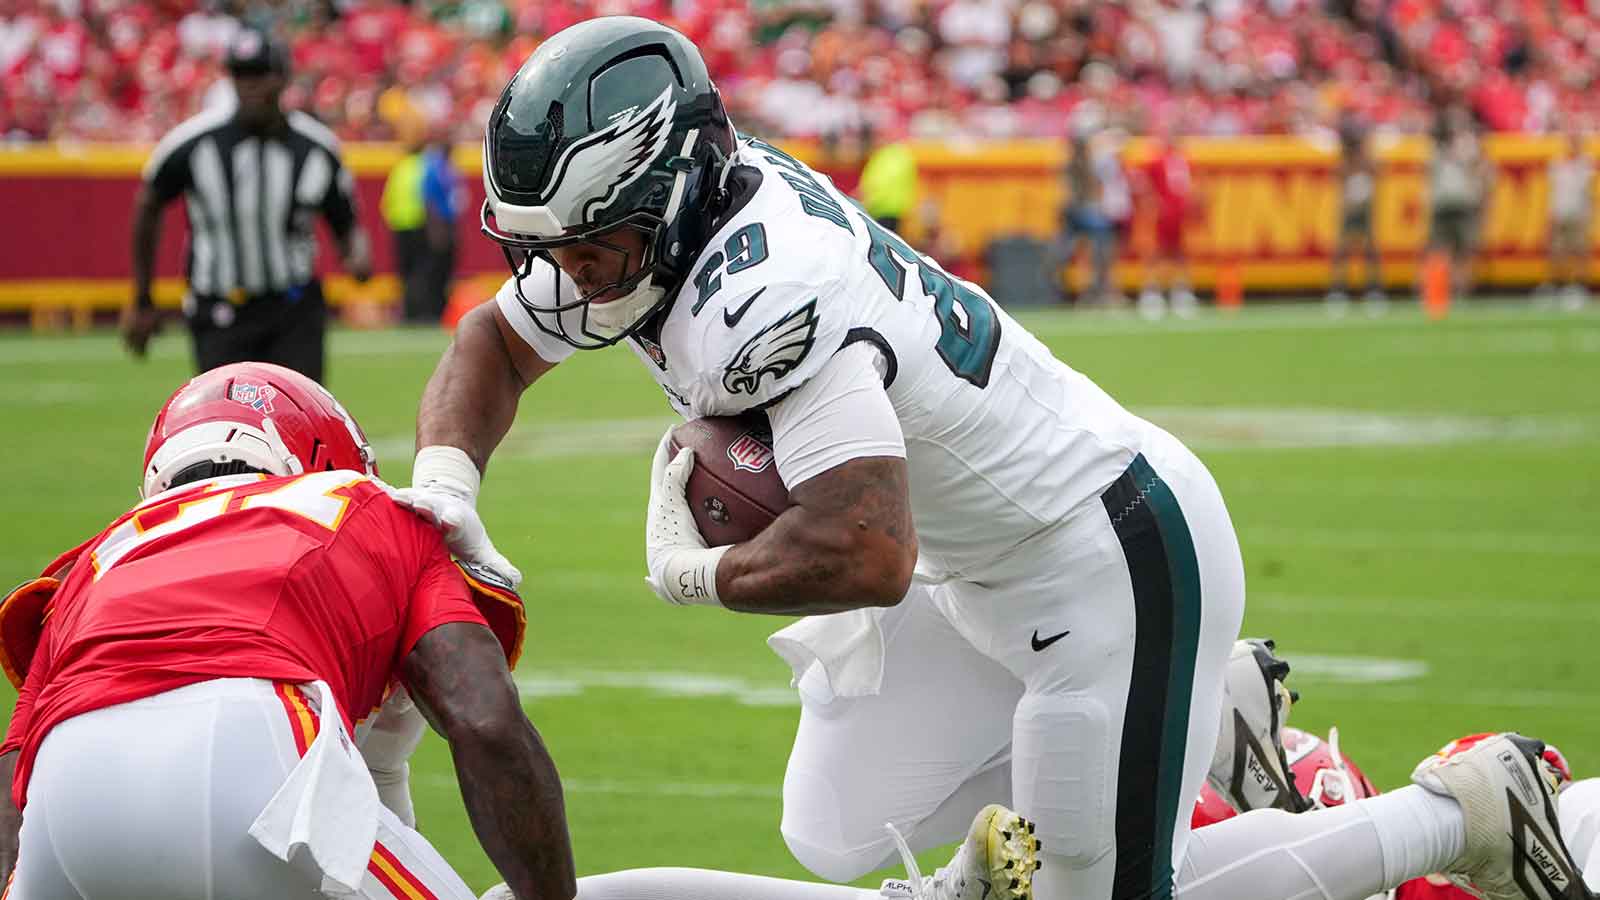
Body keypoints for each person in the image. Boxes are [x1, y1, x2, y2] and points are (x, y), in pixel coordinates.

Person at [399, 17, 1583, 900]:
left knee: (1108, 896)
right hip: (971, 573)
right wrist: (448, 488)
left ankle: (1467, 811)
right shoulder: (669, 225)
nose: (571, 275)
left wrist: (689, 573)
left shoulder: (761, 289)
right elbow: (488, 347)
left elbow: (864, 547)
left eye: (592, 246)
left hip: (1103, 554)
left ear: (666, 189)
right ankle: (1216, 724)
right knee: (836, 828)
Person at [0, 362, 573, 900]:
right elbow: (484, 716)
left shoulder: (100, 558)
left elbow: (12, 784)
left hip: (65, 795)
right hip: (248, 750)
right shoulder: (367, 506)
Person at [123, 27, 373, 383]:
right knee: (226, 425)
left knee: (298, 422)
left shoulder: (315, 148)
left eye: (260, 74)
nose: (250, 86)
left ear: (282, 78)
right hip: (220, 308)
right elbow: (148, 205)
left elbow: (345, 220)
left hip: (293, 310)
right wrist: (142, 298)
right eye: (241, 75)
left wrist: (355, 255)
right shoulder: (195, 143)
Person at [1426, 106, 1493, 302]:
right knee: (1439, 251)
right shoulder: (1436, 148)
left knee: (1464, 252)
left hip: (1464, 202)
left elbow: (1482, 172)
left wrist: (1482, 199)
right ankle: (1438, 293)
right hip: (1442, 204)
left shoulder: (1468, 146)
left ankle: (1462, 293)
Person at [1136, 117, 1197, 319]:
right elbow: (1142, 183)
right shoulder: (1156, 160)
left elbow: (1187, 187)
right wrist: (1152, 203)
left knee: (1180, 253)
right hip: (1163, 213)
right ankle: (1151, 292)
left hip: (1179, 213)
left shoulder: (1182, 159)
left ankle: (1181, 291)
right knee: (1156, 252)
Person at [1327, 112, 1386, 314]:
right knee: (1342, 249)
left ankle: (1373, 289)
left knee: (1370, 250)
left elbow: (1378, 170)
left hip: (1364, 207)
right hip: (1350, 207)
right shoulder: (1346, 160)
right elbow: (1338, 175)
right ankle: (1338, 289)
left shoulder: (1365, 158)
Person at [1542, 125, 1592, 310]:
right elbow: (1553, 193)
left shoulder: (1585, 163)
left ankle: (1578, 286)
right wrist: (1550, 215)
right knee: (1557, 252)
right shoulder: (1557, 163)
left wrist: (1586, 215)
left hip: (1577, 213)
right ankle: (1557, 285)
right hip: (1559, 212)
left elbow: (1587, 194)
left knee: (1578, 251)